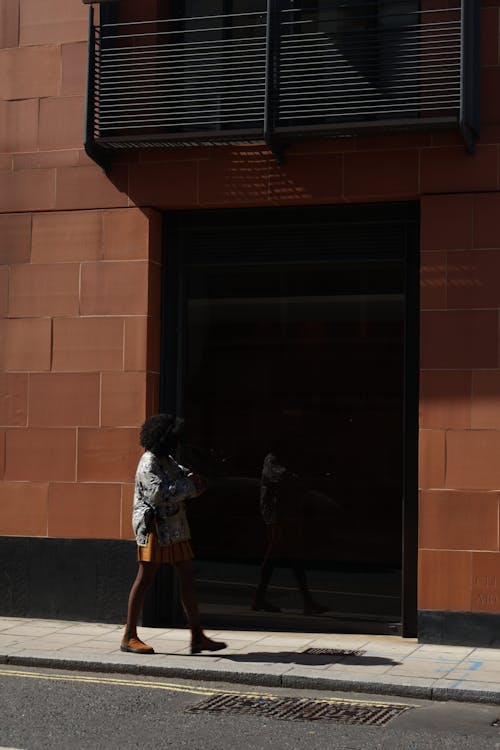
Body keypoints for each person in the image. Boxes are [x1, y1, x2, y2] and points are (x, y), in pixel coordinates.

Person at [121, 413, 227, 656]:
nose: (177, 444)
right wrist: (191, 487)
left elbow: (183, 475)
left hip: (175, 527)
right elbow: (159, 494)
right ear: (164, 438)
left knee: (187, 576)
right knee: (145, 578)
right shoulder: (148, 463)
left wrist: (194, 480)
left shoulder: (166, 459)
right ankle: (129, 635)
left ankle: (197, 635)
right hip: (155, 528)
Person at [252, 443, 329, 615]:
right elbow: (281, 478)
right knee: (280, 555)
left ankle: (262, 598)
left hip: (284, 515)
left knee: (286, 556)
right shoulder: (272, 461)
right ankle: (262, 599)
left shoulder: (280, 461)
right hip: (276, 516)